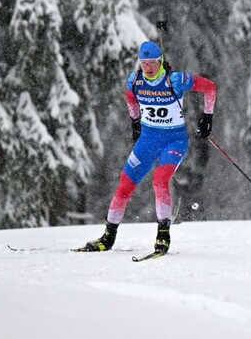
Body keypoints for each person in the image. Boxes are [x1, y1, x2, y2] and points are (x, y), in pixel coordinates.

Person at [80, 40, 216, 253]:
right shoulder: (134, 81)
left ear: (160, 61)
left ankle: (163, 234)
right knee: (124, 186)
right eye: (144, 63)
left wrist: (207, 117)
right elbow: (131, 100)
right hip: (148, 140)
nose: (148, 68)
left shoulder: (176, 80)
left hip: (174, 141)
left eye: (152, 63)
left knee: (160, 180)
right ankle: (108, 237)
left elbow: (209, 87)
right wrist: (135, 122)